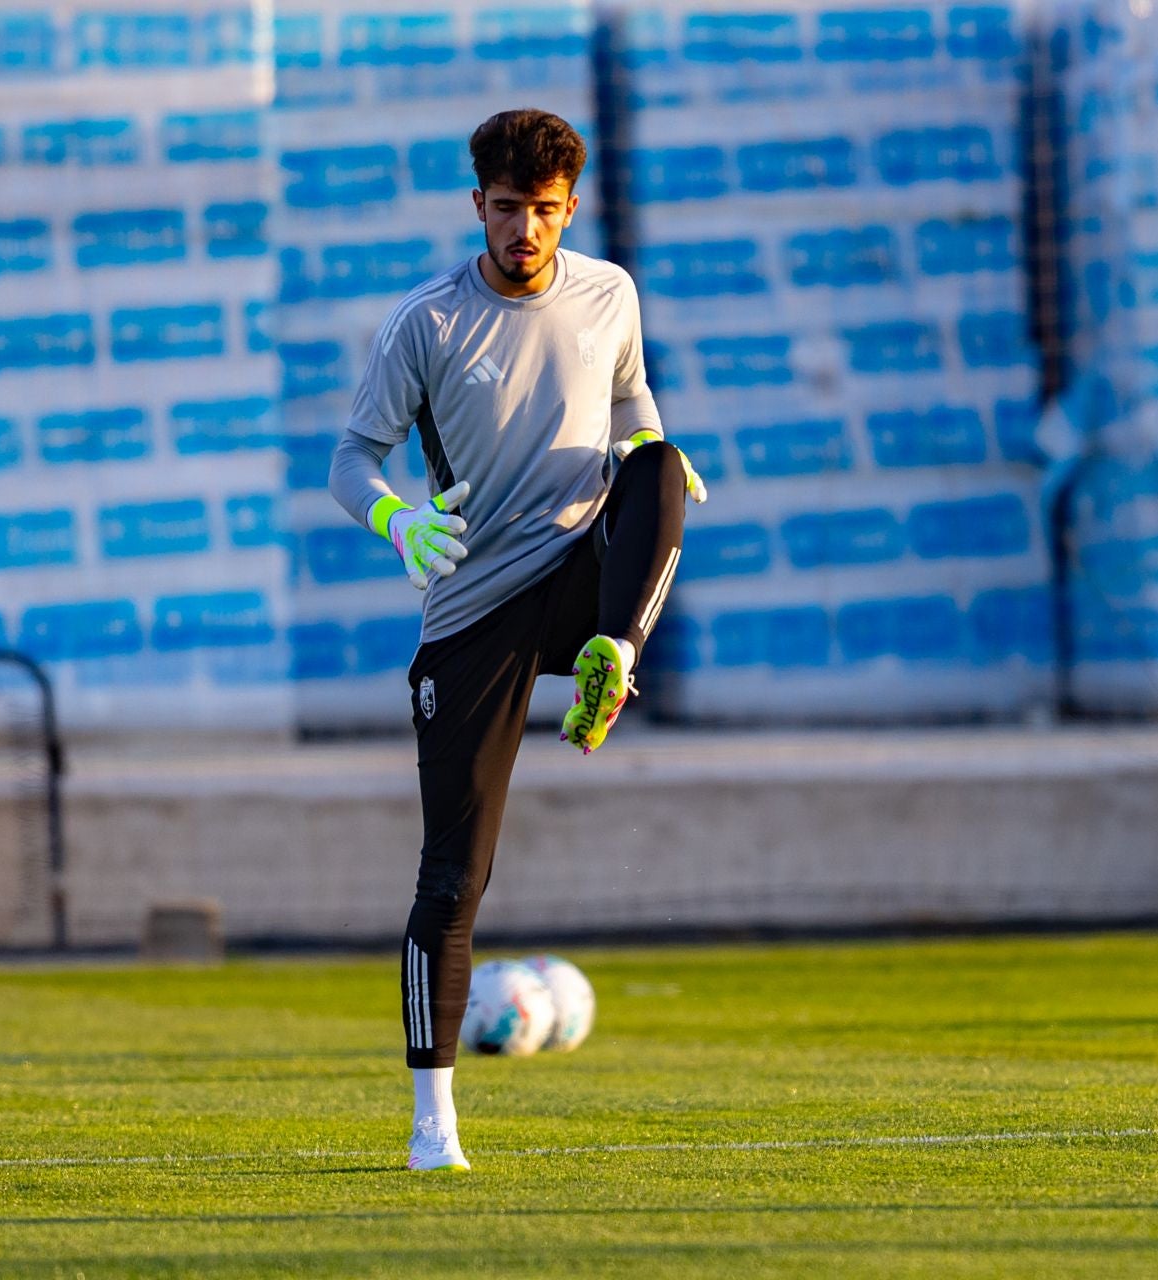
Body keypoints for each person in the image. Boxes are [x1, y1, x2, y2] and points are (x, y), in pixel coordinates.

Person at [328, 107, 706, 1172]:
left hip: (582, 578)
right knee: (454, 873)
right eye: (506, 210)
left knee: (664, 465)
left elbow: (637, 412)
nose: (524, 231)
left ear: (570, 209)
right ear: (478, 206)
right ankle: (432, 1125)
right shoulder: (427, 323)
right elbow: (349, 460)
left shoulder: (610, 293)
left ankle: (614, 661)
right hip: (476, 608)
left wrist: (654, 472)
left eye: (544, 212)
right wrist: (397, 517)